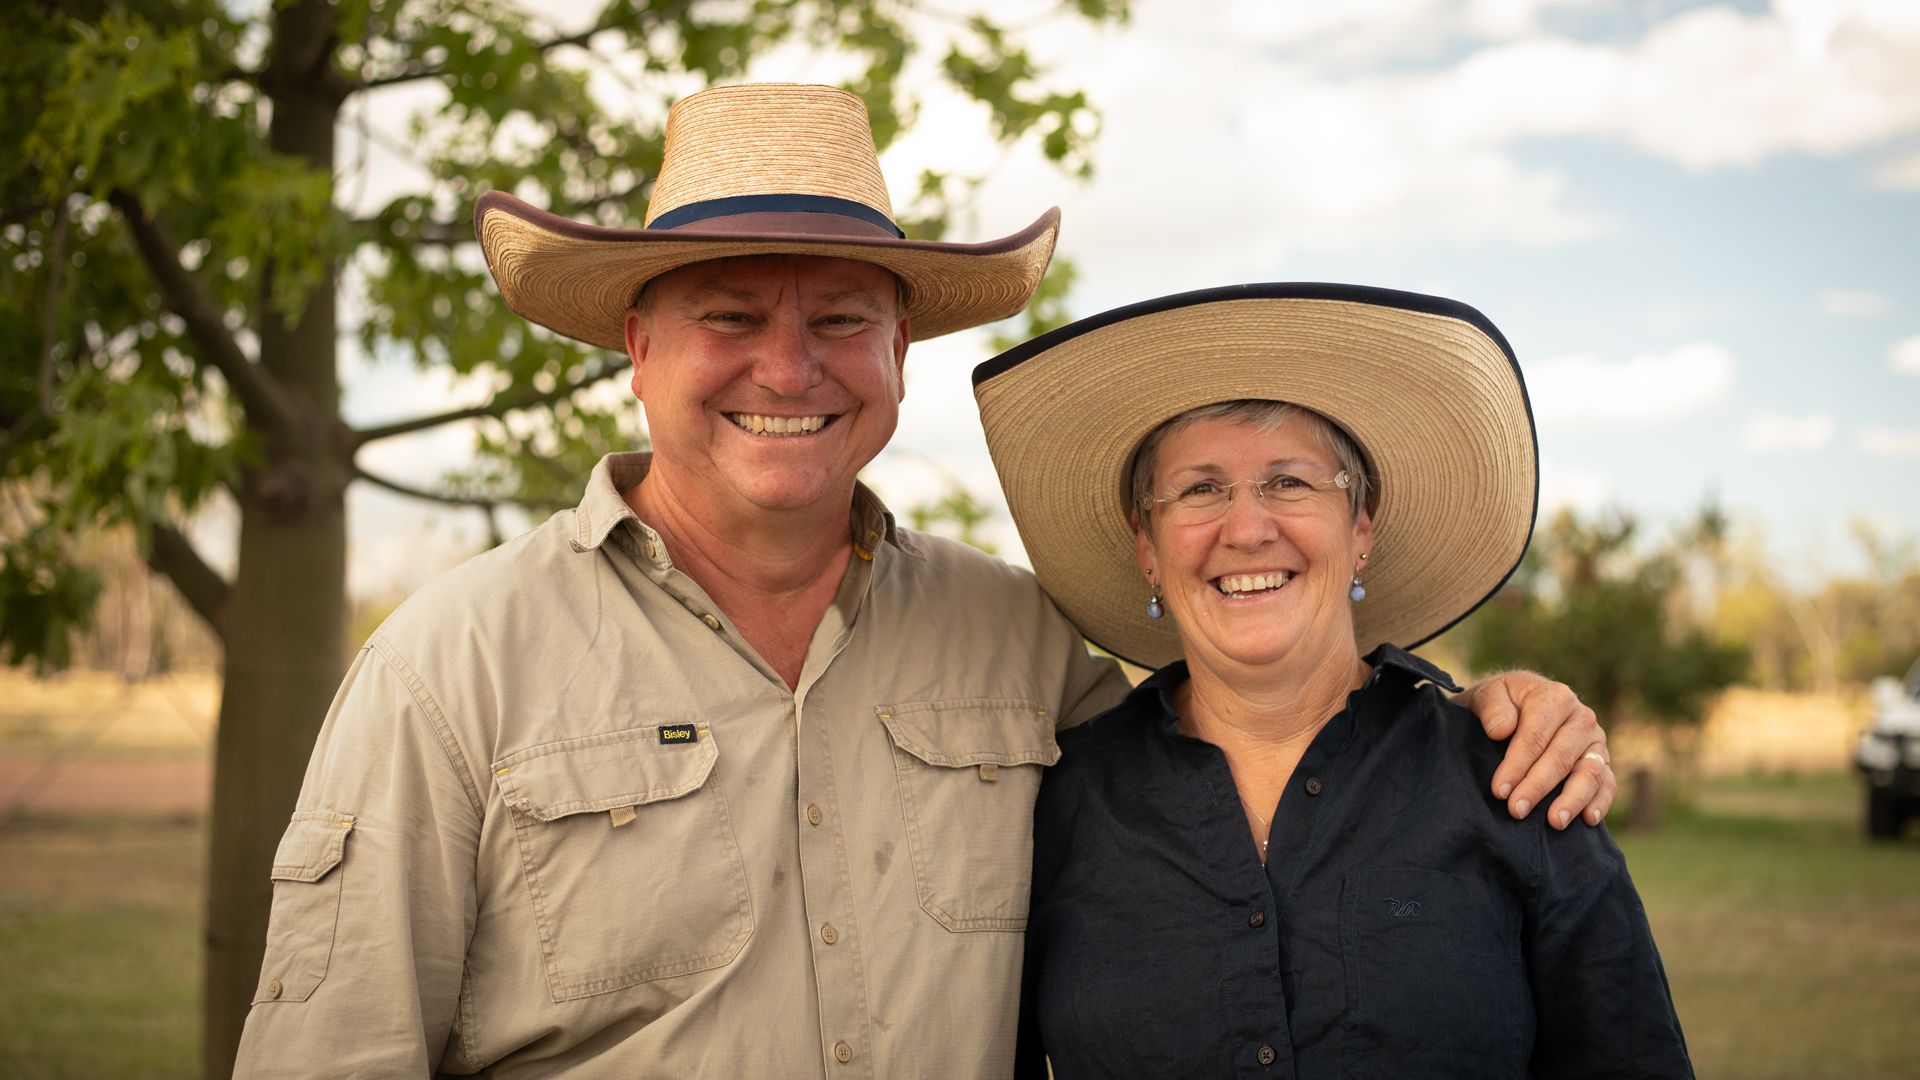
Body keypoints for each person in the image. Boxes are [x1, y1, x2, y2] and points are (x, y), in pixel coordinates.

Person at [232, 88, 1616, 1078]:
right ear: (639, 351)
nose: (791, 369)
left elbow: (1246, 717)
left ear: (900, 356)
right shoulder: (451, 667)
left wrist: (1471, 708)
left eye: (841, 320)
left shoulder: (1013, 640)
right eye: (731, 319)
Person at [975, 283, 1692, 1079]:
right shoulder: (1062, 806)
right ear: (1146, 544)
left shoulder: (1517, 778)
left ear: (1361, 527)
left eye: (1290, 482)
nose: (1247, 528)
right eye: (1201, 489)